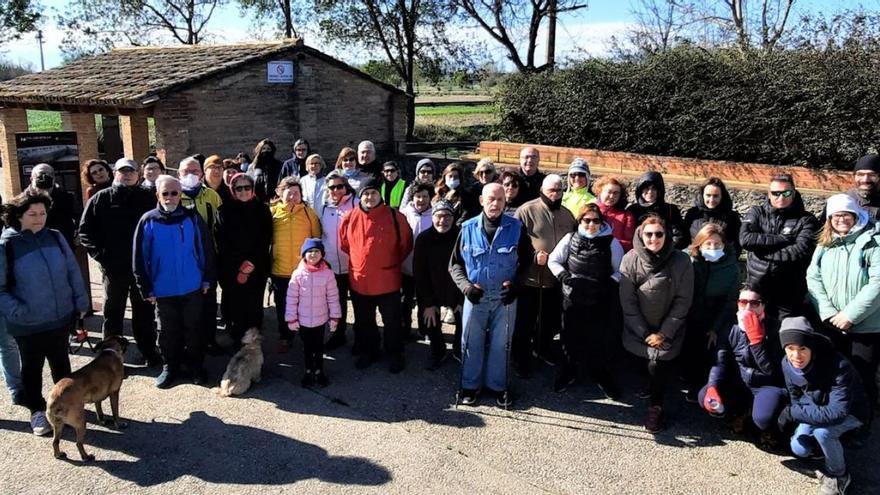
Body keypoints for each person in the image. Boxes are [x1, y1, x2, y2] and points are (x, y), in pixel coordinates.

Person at [0, 191, 88, 435]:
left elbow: (72, 271)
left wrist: (81, 302)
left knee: (61, 364)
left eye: (42, 213)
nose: (39, 218)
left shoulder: (56, 237)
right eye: (32, 214)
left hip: (59, 317)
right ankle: (37, 412)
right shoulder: (7, 244)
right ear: (18, 215)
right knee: (32, 368)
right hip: (27, 323)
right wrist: (19, 311)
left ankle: (67, 407)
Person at [449, 183, 533, 407]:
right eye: (491, 199)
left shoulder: (516, 228)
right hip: (474, 298)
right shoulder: (466, 228)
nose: (495, 203)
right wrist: (466, 287)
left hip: (505, 299)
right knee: (471, 342)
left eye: (500, 199)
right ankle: (469, 386)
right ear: (481, 201)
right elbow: (455, 265)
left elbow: (527, 261)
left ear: (506, 202)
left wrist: (516, 285)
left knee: (501, 344)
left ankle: (498, 386)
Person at [133, 175, 215, 388]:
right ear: (157, 195)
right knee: (168, 332)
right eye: (165, 193)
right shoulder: (148, 220)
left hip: (192, 285)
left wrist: (207, 278)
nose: (170, 197)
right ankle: (170, 367)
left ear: (181, 194)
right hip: (163, 289)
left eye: (174, 193)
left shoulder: (192, 218)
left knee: (194, 329)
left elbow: (205, 249)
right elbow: (140, 257)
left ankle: (196, 367)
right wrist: (146, 288)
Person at [79, 158, 159, 366]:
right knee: (113, 313)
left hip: (141, 267)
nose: (127, 175)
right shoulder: (101, 198)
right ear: (115, 173)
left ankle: (149, 351)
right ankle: (109, 358)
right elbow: (85, 231)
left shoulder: (147, 197)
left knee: (144, 313)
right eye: (122, 171)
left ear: (137, 174)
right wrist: (102, 257)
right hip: (114, 268)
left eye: (131, 171)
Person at [807, 193, 880, 419]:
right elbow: (813, 276)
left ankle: (862, 421)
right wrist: (828, 312)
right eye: (836, 215)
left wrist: (850, 314)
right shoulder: (825, 243)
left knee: (862, 374)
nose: (841, 220)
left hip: (865, 326)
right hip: (832, 322)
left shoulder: (873, 241)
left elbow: (877, 282)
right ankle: (837, 417)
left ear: (855, 215)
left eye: (846, 215)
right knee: (834, 371)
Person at [777, 317, 869, 495]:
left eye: (802, 348)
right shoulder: (786, 364)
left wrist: (793, 412)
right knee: (799, 448)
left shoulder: (838, 366)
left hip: (852, 412)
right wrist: (797, 411)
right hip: (817, 407)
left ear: (811, 347)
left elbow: (838, 413)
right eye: (790, 349)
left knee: (823, 432)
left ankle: (839, 476)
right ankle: (826, 451)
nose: (796, 356)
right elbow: (795, 397)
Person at [619, 215, 694, 432]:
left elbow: (683, 300)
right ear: (641, 236)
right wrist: (644, 333)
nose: (654, 239)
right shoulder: (630, 259)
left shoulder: (681, 261)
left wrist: (664, 332)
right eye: (648, 234)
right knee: (643, 362)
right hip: (638, 328)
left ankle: (656, 406)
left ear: (666, 235)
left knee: (658, 363)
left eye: (659, 234)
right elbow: (628, 301)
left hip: (669, 328)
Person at [548, 202, 623, 397]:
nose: (591, 224)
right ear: (580, 221)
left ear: (601, 222)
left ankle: (600, 374)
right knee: (569, 338)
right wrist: (563, 275)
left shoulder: (611, 242)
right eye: (586, 220)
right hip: (572, 298)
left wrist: (611, 282)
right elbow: (553, 259)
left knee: (598, 340)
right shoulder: (570, 238)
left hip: (599, 300)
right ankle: (569, 372)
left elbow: (621, 269)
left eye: (595, 221)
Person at [339, 178, 413, 373]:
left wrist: (387, 263)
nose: (369, 197)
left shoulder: (396, 217)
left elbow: (405, 243)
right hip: (360, 281)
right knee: (365, 321)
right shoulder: (350, 217)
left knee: (392, 321)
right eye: (365, 194)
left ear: (380, 194)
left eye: (373, 193)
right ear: (360, 196)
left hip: (388, 280)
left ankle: (395, 353)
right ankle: (369, 351)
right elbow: (344, 244)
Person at [698, 286, 787, 436]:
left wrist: (757, 342)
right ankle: (738, 412)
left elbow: (772, 372)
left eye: (754, 303)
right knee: (704, 396)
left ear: (763, 305)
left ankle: (768, 426)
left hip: (765, 384)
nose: (748, 308)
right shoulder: (731, 327)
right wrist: (713, 386)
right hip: (740, 380)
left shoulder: (776, 329)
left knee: (763, 419)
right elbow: (720, 362)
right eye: (743, 302)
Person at [512, 174, 576, 376]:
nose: (555, 194)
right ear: (542, 189)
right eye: (551, 190)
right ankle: (520, 358)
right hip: (531, 278)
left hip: (556, 280)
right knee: (525, 322)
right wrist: (532, 256)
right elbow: (515, 242)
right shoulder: (526, 210)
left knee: (550, 321)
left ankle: (543, 349)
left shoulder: (567, 214)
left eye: (559, 190)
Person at [740, 174, 819, 320]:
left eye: (786, 193)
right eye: (775, 193)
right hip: (757, 286)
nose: (780, 197)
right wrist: (780, 239)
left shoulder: (806, 220)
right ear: (769, 194)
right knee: (753, 329)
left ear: (794, 193)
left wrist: (761, 253)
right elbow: (745, 240)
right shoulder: (757, 212)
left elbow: (799, 251)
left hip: (788, 292)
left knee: (784, 334)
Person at [683, 223, 741, 401]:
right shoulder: (688, 260)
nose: (713, 248)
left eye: (717, 244)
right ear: (699, 244)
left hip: (714, 315)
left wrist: (716, 328)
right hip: (688, 311)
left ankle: (699, 385)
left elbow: (730, 302)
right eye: (708, 244)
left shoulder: (732, 268)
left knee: (706, 352)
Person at [216, 173, 272, 345]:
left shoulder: (262, 209)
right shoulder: (224, 210)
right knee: (236, 304)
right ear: (233, 190)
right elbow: (221, 240)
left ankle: (253, 340)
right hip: (232, 266)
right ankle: (236, 337)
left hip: (257, 266)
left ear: (253, 189)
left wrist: (251, 263)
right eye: (238, 188)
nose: (243, 191)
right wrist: (239, 265)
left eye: (247, 187)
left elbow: (266, 238)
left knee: (254, 304)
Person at [270, 178, 322, 354]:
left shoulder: (309, 213)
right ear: (280, 193)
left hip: (303, 271)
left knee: (306, 306)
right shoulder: (272, 213)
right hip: (280, 271)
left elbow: (316, 239)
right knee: (283, 306)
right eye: (289, 192)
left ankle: (306, 335)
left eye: (297, 193)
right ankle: (285, 336)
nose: (293, 196)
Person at [178, 156, 223, 354]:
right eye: (186, 171)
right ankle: (189, 344)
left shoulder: (212, 195)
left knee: (209, 303)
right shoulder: (173, 194)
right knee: (185, 304)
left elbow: (221, 227)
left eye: (195, 171)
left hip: (208, 258)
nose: (191, 175)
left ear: (201, 174)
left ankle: (210, 340)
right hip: (183, 260)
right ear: (178, 174)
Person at [285, 238, 341, 388]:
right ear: (304, 255)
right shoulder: (298, 275)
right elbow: (291, 299)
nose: (313, 254)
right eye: (309, 251)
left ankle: (319, 372)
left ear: (322, 254)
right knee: (308, 348)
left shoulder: (328, 274)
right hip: (303, 321)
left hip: (320, 320)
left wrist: (335, 317)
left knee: (319, 347)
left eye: (316, 251)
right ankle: (309, 371)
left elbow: (333, 297)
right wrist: (291, 319)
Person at [414, 199, 463, 367]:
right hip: (432, 287)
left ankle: (459, 349)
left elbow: (468, 269)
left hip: (457, 288)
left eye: (447, 216)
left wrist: (459, 300)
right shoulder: (423, 239)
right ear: (432, 217)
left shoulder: (461, 236)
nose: (443, 220)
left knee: (464, 318)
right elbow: (419, 273)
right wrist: (428, 303)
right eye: (439, 216)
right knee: (429, 319)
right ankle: (437, 351)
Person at [316, 171, 358, 351]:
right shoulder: (323, 206)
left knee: (359, 303)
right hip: (332, 264)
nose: (336, 190)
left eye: (339, 186)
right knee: (337, 302)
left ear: (346, 186)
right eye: (332, 187)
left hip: (354, 264)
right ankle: (339, 334)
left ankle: (362, 337)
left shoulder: (356, 204)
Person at [400, 182, 435, 342]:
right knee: (405, 300)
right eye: (418, 196)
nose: (421, 200)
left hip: (426, 269)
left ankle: (425, 329)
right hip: (405, 266)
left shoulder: (435, 214)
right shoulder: (405, 213)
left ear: (430, 197)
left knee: (424, 300)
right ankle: (405, 328)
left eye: (425, 196)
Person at [626, 171, 686, 249]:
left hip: (665, 253)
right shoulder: (632, 210)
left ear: (659, 191)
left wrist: (666, 251)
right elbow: (627, 235)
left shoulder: (670, 210)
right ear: (640, 190)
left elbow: (678, 236)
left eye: (654, 188)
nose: (650, 192)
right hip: (638, 252)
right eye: (646, 188)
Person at [682, 177, 742, 254]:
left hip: (722, 262)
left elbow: (738, 243)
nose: (711, 200)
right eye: (708, 195)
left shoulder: (732, 217)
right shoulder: (692, 214)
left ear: (722, 196)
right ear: (702, 195)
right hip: (696, 261)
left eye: (715, 196)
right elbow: (684, 239)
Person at [27, 164, 77, 246]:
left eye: (49, 174)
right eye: (41, 174)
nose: (44, 177)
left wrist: (75, 234)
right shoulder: (23, 202)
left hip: (61, 247)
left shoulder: (67, 199)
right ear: (32, 179)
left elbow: (80, 218)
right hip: (34, 249)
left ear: (54, 179)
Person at [592, 175, 636, 252]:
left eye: (616, 193)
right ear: (600, 192)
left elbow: (629, 243)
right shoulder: (590, 211)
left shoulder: (626, 216)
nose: (612, 196)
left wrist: (610, 244)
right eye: (609, 192)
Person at [845, 153, 880, 220]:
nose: (865, 180)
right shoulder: (842, 200)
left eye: (872, 175)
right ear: (854, 177)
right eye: (860, 174)